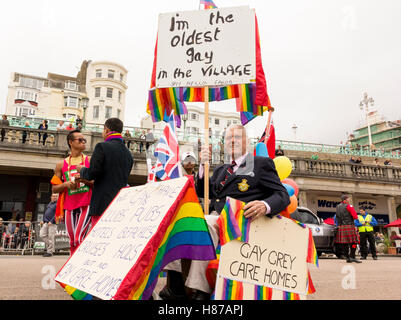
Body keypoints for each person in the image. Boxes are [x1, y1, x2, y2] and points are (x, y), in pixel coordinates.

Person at [160, 124, 290, 300]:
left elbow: (282, 195)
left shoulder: (259, 164)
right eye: (229, 138)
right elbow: (204, 192)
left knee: (204, 223)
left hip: (243, 220)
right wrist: (202, 167)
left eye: (237, 137)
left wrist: (264, 205)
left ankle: (201, 289)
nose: (232, 141)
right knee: (181, 222)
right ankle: (175, 285)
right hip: (216, 217)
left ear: (247, 142)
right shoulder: (222, 169)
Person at [76, 118, 134, 228]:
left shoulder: (102, 147)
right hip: (119, 205)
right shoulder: (128, 154)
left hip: (102, 204)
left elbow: (92, 173)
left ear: (106, 130)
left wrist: (82, 169)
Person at [52, 130, 93, 254]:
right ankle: (72, 266)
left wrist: (84, 181)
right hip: (69, 206)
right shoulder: (61, 164)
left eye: (84, 140)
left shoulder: (90, 161)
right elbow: (54, 188)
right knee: (72, 241)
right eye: (79, 140)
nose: (83, 142)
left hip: (87, 204)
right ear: (70, 142)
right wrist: (66, 184)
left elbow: (96, 183)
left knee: (79, 238)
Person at [334, 195, 361, 263]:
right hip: (349, 225)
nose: (349, 200)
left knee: (344, 243)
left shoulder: (338, 207)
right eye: (348, 199)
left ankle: (348, 258)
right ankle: (352, 256)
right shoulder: (349, 206)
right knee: (354, 242)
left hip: (342, 226)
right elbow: (355, 216)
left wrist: (339, 224)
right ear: (345, 200)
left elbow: (337, 217)